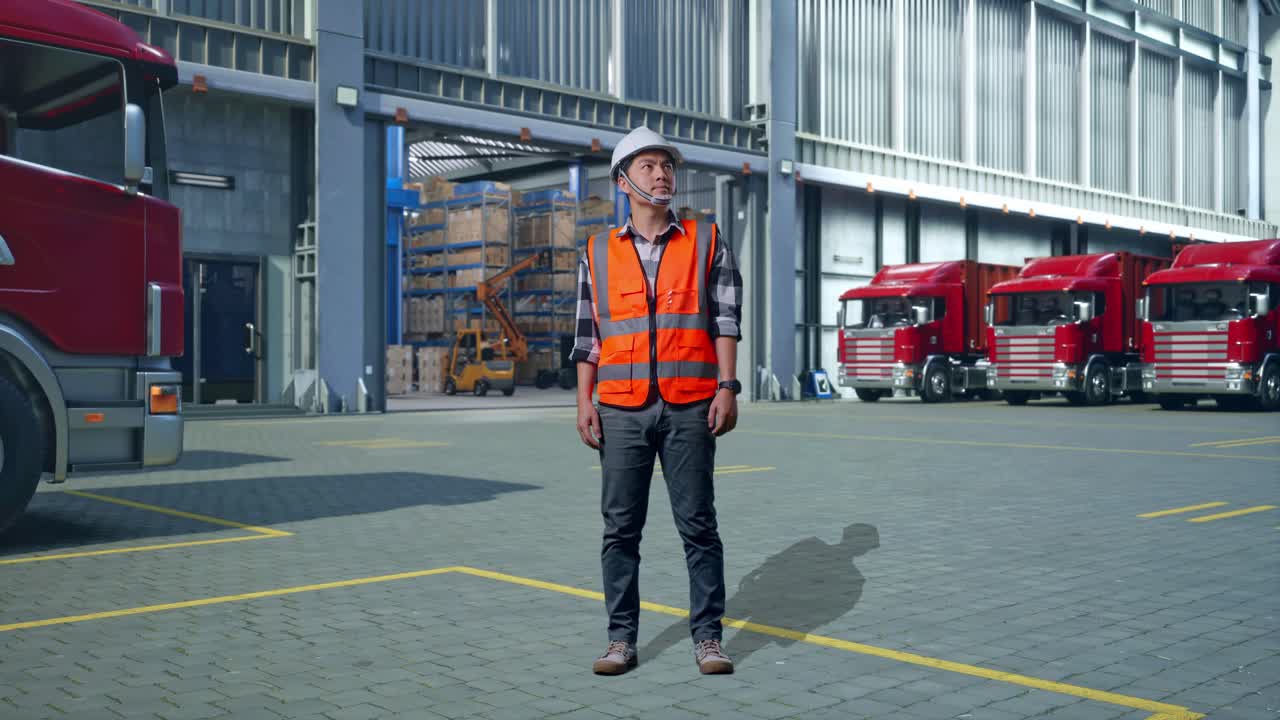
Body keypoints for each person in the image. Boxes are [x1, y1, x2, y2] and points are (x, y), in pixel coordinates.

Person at [571, 126, 744, 677]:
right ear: (624, 181)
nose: (662, 174)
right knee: (620, 529)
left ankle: (709, 638)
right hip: (620, 407)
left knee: (698, 524)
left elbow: (726, 319)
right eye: (648, 166)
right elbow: (586, 337)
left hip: (691, 402)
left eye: (667, 166)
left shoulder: (707, 239)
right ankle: (620, 640)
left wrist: (728, 386)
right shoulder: (596, 252)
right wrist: (584, 402)